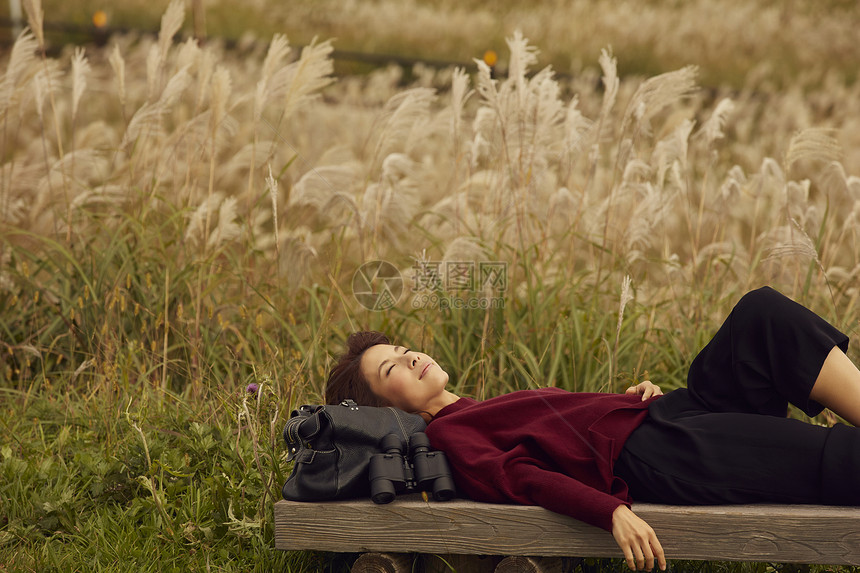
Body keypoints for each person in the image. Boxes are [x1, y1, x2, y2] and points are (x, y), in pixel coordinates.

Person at [324, 286, 860, 571]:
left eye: (401, 348)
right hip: (664, 454)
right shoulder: (447, 436)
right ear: (385, 409)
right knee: (834, 458)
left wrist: (631, 400)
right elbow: (524, 480)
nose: (411, 356)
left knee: (760, 314)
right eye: (392, 368)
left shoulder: (473, 409)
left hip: (667, 416)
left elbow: (564, 432)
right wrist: (612, 513)